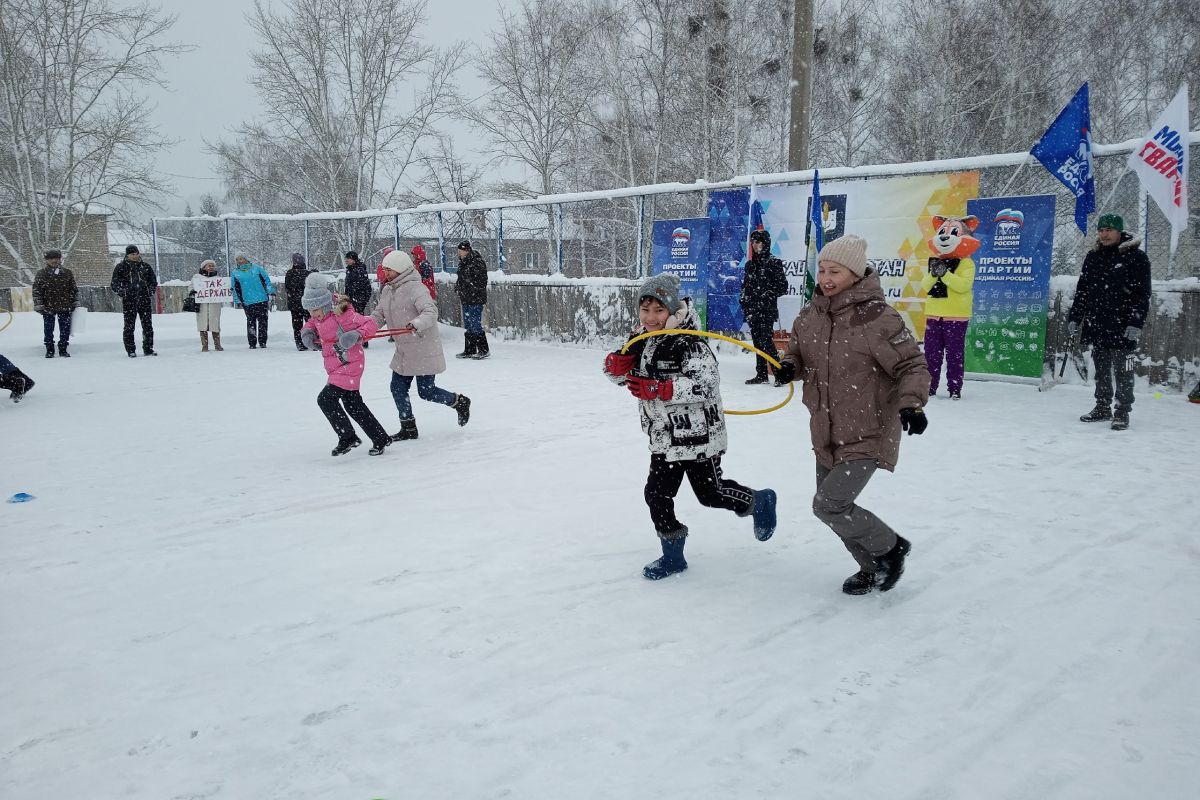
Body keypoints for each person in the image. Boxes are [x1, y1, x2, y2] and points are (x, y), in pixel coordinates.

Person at [773, 235, 929, 596]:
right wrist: (788, 367)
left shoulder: (878, 319)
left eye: (836, 271)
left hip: (869, 429)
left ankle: (890, 548)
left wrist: (912, 404)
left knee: (829, 504)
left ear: (856, 275)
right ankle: (872, 566)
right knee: (830, 509)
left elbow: (911, 365)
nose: (826, 278)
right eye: (823, 270)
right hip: (825, 428)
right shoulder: (810, 316)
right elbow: (797, 355)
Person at [602, 272, 778, 580]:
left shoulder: (689, 343)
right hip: (663, 436)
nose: (651, 317)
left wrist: (663, 389)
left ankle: (758, 501)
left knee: (710, 494)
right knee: (656, 494)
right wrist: (614, 366)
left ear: (672, 310)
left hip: (698, 436)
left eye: (658, 310)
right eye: (645, 310)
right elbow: (622, 378)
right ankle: (673, 554)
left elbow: (707, 384)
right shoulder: (638, 340)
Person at [372, 249, 470, 442]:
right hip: (404, 350)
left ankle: (459, 402)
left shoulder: (416, 288)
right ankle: (408, 427)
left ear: (400, 269)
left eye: (389, 270)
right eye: (385, 269)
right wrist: (364, 329)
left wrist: (415, 324)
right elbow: (379, 314)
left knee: (426, 391)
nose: (386, 273)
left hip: (423, 346)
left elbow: (430, 312)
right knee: (397, 388)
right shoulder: (387, 290)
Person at [1068, 213, 1152, 431]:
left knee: (1124, 370)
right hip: (1098, 323)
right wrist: (1075, 317)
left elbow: (1142, 294)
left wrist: (1136, 322)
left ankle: (1122, 411)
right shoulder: (1093, 257)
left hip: (1124, 326)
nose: (1104, 234)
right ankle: (1102, 407)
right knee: (1102, 368)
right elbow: (1083, 291)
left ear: (1119, 232)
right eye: (1101, 230)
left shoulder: (1136, 257)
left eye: (1109, 230)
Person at [299, 273, 391, 457]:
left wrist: (355, 335)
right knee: (353, 405)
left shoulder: (343, 314)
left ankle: (348, 437)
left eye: (315, 309)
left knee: (325, 399)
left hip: (349, 363)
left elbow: (370, 324)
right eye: (309, 310)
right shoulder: (318, 316)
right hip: (337, 365)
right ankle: (380, 437)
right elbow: (311, 323)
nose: (312, 314)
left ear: (325, 304)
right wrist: (307, 331)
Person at [921, 215, 979, 399]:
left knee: (954, 354)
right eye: (943, 232)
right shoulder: (935, 261)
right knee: (931, 354)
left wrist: (944, 274)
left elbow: (963, 286)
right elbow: (925, 286)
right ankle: (929, 386)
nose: (945, 237)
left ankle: (955, 388)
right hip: (933, 314)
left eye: (954, 232)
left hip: (956, 316)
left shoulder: (967, 263)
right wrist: (934, 273)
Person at [739, 229, 788, 384]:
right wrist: (744, 300)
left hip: (766, 310)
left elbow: (782, 287)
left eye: (758, 242)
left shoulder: (774, 262)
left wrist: (766, 295)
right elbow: (745, 286)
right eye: (753, 242)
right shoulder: (750, 265)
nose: (755, 245)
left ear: (765, 243)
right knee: (757, 343)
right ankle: (761, 374)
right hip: (752, 310)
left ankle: (778, 374)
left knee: (766, 341)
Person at [110, 244, 158, 357]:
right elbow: (114, 283)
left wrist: (150, 291)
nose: (135, 256)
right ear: (128, 255)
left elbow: (153, 281)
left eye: (137, 254)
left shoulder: (145, 266)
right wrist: (123, 291)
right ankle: (130, 349)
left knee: (147, 325)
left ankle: (148, 348)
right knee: (129, 326)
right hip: (129, 301)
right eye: (132, 254)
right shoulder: (121, 267)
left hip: (144, 299)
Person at [32, 249, 78, 358]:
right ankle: (50, 349)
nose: (54, 260)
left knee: (65, 329)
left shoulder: (67, 273)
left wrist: (74, 302)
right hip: (48, 307)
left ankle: (63, 348)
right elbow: (36, 291)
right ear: (47, 260)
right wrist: (39, 305)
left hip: (65, 306)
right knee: (48, 330)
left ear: (60, 259)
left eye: (56, 258)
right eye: (51, 258)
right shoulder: (41, 274)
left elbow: (73, 289)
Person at [231, 254, 276, 349]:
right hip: (247, 301)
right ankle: (252, 343)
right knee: (251, 322)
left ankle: (263, 342)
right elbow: (234, 288)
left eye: (241, 258)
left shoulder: (257, 268)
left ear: (246, 259)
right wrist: (237, 300)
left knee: (263, 322)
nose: (239, 261)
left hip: (262, 299)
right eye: (237, 259)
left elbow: (266, 280)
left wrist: (270, 291)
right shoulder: (235, 273)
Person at [454, 240, 490, 359]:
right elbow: (461, 277)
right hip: (465, 298)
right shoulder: (462, 263)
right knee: (468, 323)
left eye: (461, 251)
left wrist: (472, 288)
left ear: (467, 251)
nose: (459, 253)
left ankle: (483, 350)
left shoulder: (477, 262)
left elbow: (482, 280)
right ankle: (469, 349)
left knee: (475, 324)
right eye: (458, 251)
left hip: (476, 298)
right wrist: (458, 286)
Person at [191, 259, 224, 352]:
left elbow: (223, 288)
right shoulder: (197, 277)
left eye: (212, 265)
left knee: (215, 324)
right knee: (203, 325)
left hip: (214, 305)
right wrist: (192, 291)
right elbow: (191, 286)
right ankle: (204, 345)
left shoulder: (217, 278)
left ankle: (217, 344)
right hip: (202, 305)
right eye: (208, 265)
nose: (210, 267)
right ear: (203, 267)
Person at [284, 253, 312, 350]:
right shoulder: (307, 273)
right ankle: (310, 342)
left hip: (294, 304)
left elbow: (287, 288)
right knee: (310, 324)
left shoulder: (289, 273)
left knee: (297, 325)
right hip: (307, 303)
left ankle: (300, 343)